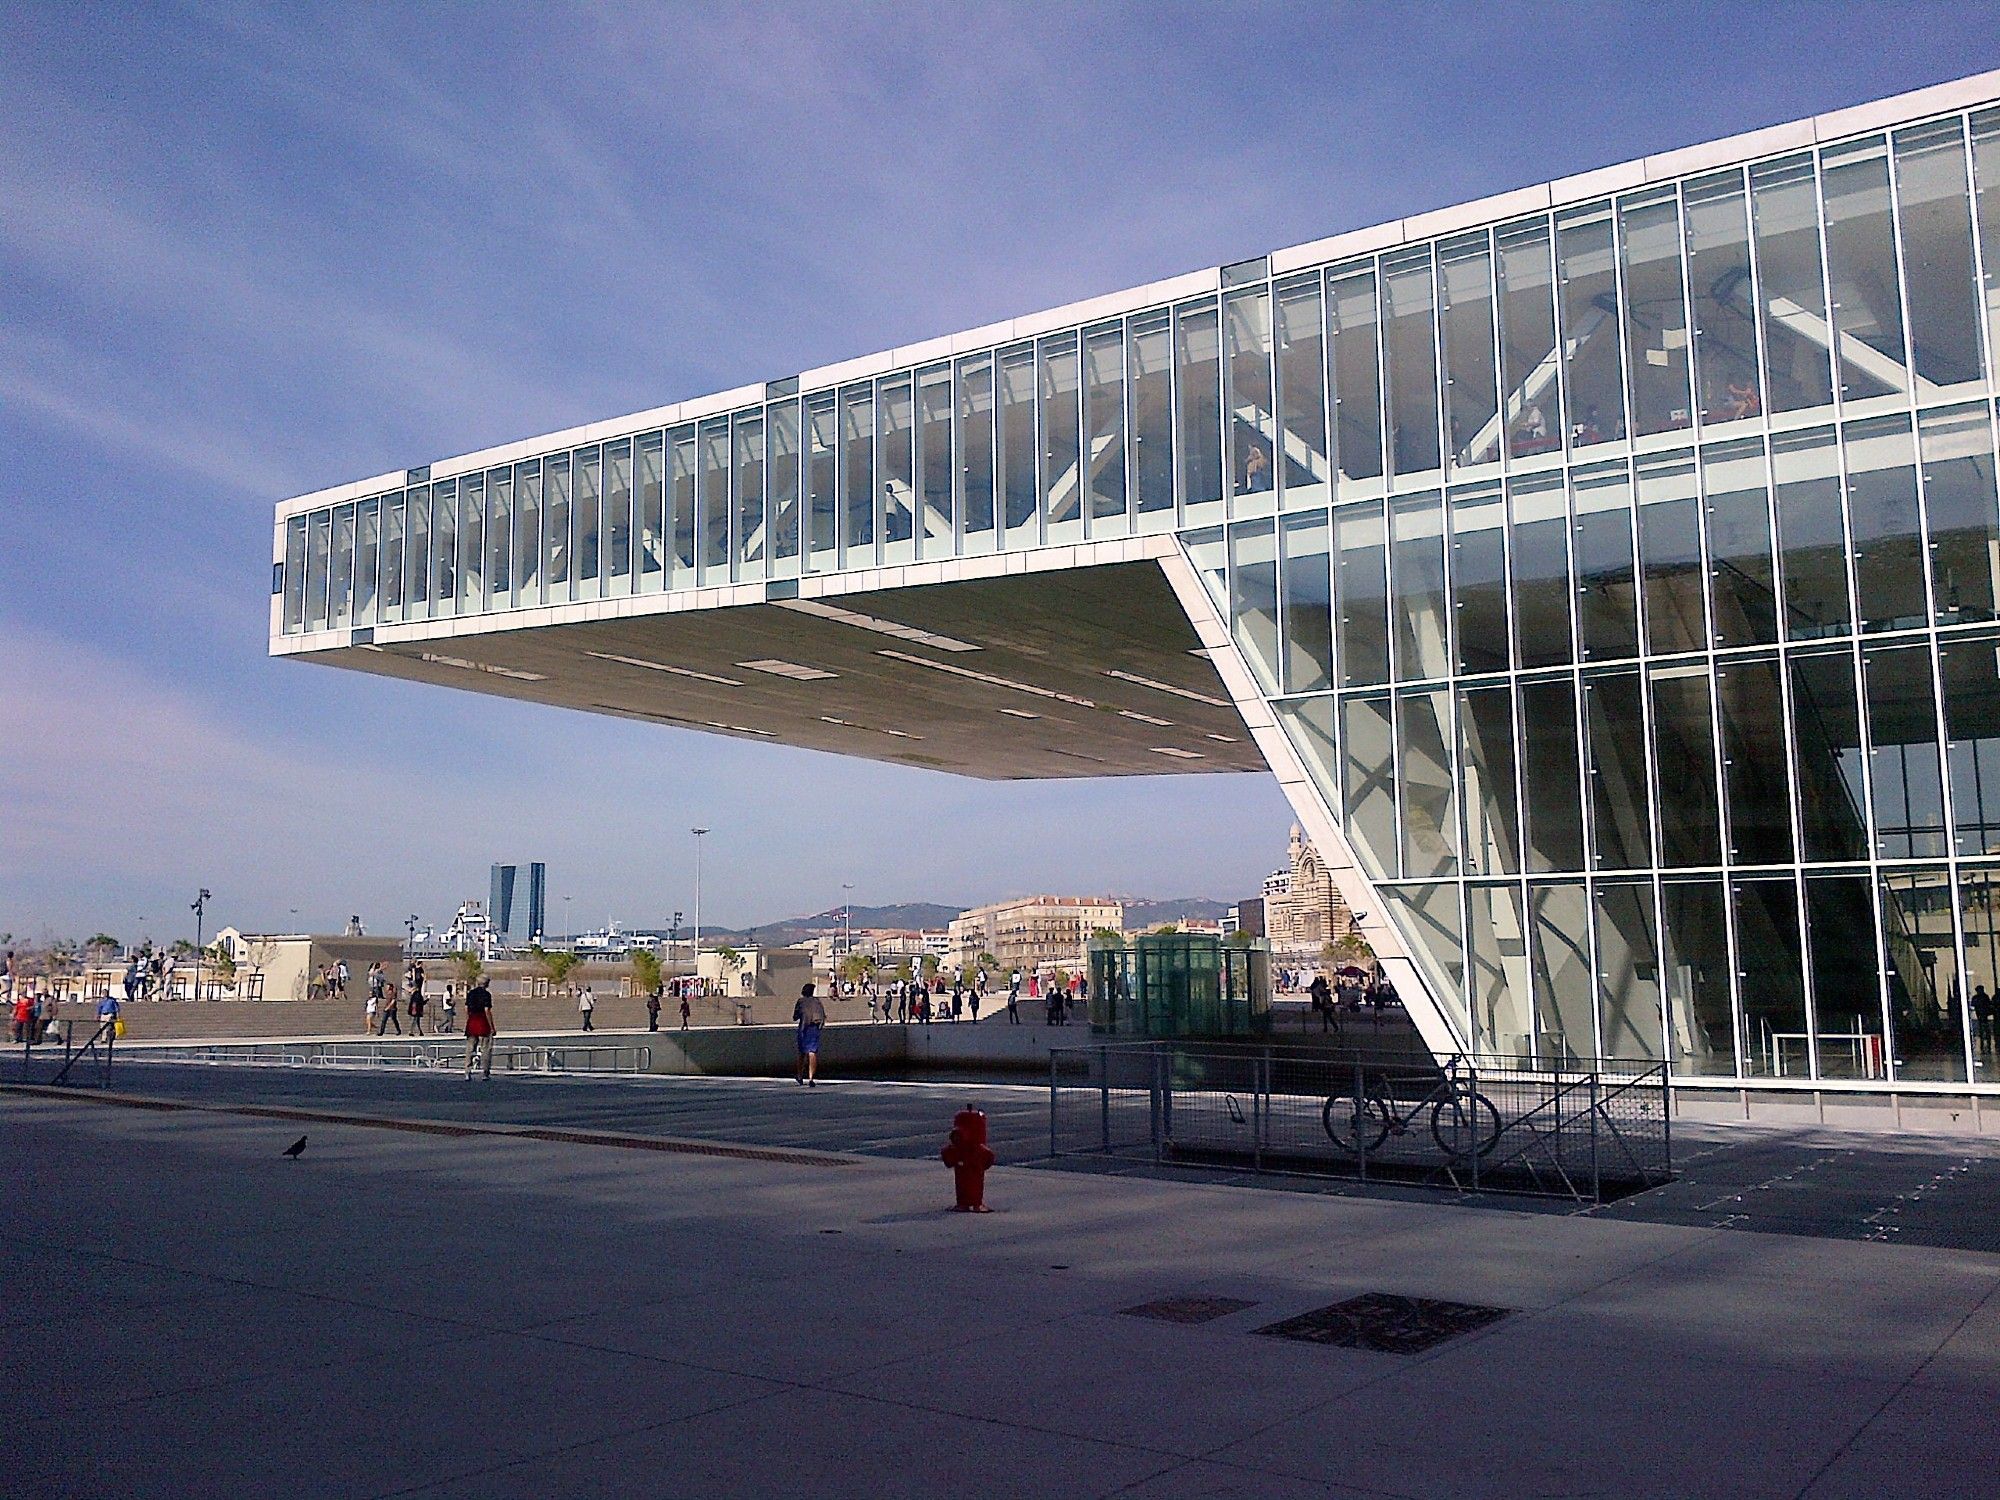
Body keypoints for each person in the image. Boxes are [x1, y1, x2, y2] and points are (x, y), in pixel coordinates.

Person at [793, 981, 826, 1087]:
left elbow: (795, 1016)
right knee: (812, 1052)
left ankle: (799, 1075)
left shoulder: (801, 1001)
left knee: (802, 1052)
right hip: (814, 1028)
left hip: (804, 1028)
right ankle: (811, 1077)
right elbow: (822, 1015)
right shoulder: (817, 1001)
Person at [463, 977, 496, 1079]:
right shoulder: (486, 995)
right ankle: (485, 1072)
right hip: (483, 1021)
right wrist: (492, 1027)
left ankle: (467, 1071)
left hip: (472, 1021)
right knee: (486, 1049)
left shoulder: (471, 993)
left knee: (470, 1048)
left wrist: (469, 1017)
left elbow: (466, 1008)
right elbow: (487, 1010)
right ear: (487, 984)